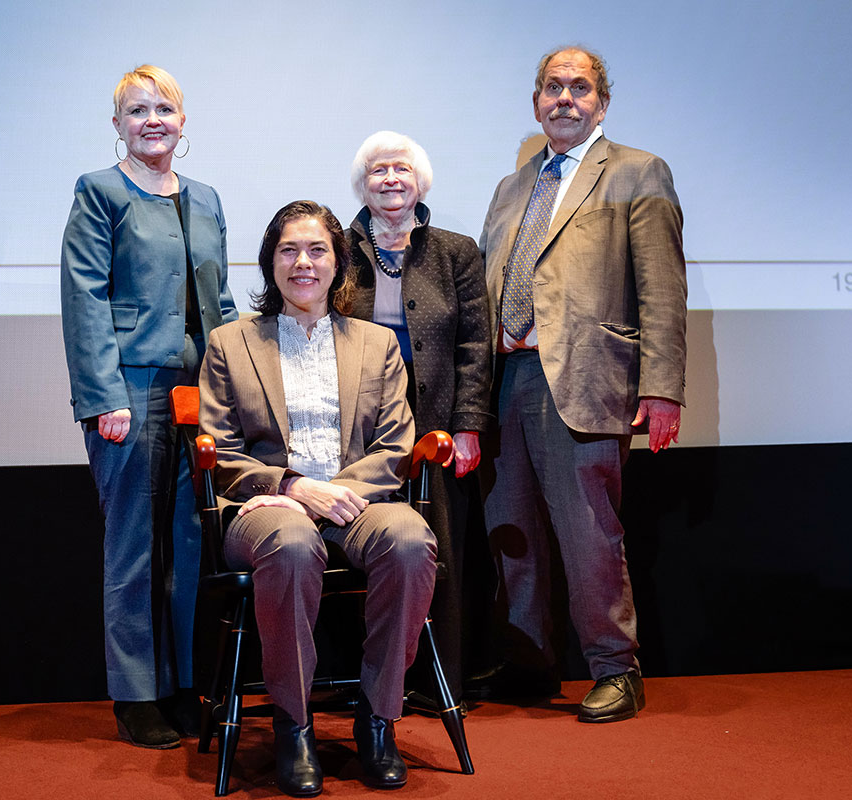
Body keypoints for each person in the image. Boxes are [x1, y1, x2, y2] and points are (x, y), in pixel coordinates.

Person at [199, 201, 437, 795]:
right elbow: (220, 451)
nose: (302, 263)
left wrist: (335, 494)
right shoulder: (231, 343)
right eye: (288, 250)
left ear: (339, 264)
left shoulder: (377, 343)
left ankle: (377, 719)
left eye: (317, 250)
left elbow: (395, 444)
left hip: (355, 501)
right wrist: (289, 488)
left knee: (410, 540)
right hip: (264, 509)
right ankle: (294, 725)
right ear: (269, 262)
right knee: (291, 541)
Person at [478, 46, 687, 722]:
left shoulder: (637, 172)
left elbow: (663, 290)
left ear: (601, 101)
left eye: (580, 88)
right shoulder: (513, 186)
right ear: (535, 99)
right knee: (511, 530)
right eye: (552, 87)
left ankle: (614, 668)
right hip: (507, 375)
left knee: (587, 532)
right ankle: (530, 662)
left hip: (587, 377)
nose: (564, 98)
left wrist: (663, 388)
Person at [60, 64, 238, 748]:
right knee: (135, 546)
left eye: (164, 107)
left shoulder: (206, 197)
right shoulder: (99, 193)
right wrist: (104, 395)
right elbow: (85, 299)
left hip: (199, 391)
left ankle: (182, 685)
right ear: (117, 126)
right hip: (130, 391)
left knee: (191, 545)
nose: (152, 120)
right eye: (138, 110)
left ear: (183, 120)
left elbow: (220, 302)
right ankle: (136, 694)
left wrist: (237, 390)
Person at [345, 131, 492, 701]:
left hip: (436, 419)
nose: (390, 179)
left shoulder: (455, 251)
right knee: (362, 537)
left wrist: (468, 424)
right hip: (358, 421)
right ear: (363, 183)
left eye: (401, 169)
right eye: (378, 170)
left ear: (420, 180)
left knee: (437, 544)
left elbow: (475, 345)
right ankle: (364, 681)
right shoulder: (339, 246)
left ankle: (435, 684)